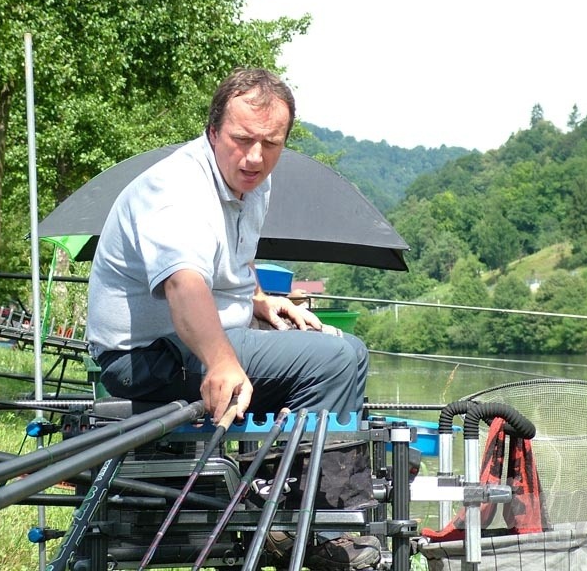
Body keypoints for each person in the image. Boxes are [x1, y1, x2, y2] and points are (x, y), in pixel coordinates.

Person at [86, 68, 380, 570]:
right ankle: (318, 525)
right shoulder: (177, 189)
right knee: (339, 359)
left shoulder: (252, 183)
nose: (255, 156)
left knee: (324, 338)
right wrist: (221, 363)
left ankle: (288, 497)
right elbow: (185, 284)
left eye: (271, 143)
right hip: (145, 355)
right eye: (242, 139)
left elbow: (230, 267)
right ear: (213, 130)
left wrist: (262, 302)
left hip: (197, 338)